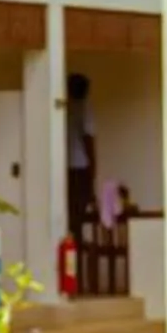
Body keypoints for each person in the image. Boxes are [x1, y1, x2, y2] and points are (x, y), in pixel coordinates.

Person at [66, 72, 96, 232]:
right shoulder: (85, 107)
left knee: (69, 211)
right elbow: (88, 139)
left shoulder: (65, 107)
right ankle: (75, 250)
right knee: (79, 214)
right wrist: (94, 168)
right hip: (81, 165)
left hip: (65, 165)